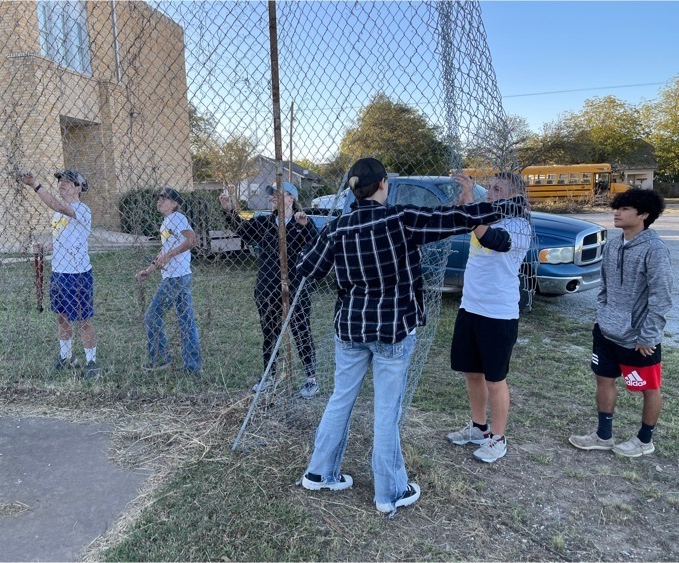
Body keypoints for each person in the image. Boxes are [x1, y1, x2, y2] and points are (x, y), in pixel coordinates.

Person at [296, 158, 525, 515]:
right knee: (386, 410)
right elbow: (453, 220)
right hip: (393, 329)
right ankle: (389, 493)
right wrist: (505, 205)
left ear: (354, 190)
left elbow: (308, 268)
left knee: (340, 399)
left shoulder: (336, 228)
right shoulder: (400, 218)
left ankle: (319, 472)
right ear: (384, 184)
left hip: (350, 328)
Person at [569, 188, 672, 458]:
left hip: (638, 338)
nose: (617, 212)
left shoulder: (655, 249)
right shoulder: (614, 243)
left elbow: (661, 296)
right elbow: (605, 286)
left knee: (649, 388)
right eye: (617, 207)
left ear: (644, 214)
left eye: (625, 209)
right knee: (603, 379)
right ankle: (603, 435)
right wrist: (601, 314)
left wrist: (648, 335)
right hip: (605, 330)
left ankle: (644, 440)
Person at [445, 172, 532, 463]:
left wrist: (471, 201)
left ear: (515, 196)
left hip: (498, 313)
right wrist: (464, 199)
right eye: (490, 187)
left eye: (497, 189)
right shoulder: (486, 214)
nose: (490, 193)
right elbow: (460, 216)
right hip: (470, 307)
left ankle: (498, 438)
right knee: (472, 373)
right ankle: (478, 428)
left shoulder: (519, 225)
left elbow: (493, 240)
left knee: (495, 379)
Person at [219, 181, 319, 398]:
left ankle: (311, 378)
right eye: (272, 194)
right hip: (267, 286)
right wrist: (228, 210)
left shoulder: (301, 221)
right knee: (270, 332)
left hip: (295, 286)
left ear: (291, 198)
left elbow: (317, 245)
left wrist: (306, 226)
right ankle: (269, 375)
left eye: (279, 193)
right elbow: (242, 230)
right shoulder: (264, 222)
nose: (273, 196)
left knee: (301, 330)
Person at [18, 169, 99, 379]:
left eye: (68, 182)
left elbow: (57, 205)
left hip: (78, 274)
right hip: (59, 272)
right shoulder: (58, 214)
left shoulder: (82, 209)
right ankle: (67, 358)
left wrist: (35, 184)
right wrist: (45, 247)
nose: (62, 184)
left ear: (79, 188)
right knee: (62, 318)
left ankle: (92, 362)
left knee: (84, 320)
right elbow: (63, 239)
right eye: (61, 181)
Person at [135, 188, 203, 373]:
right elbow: (165, 251)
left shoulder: (177, 218)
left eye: (165, 199)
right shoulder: (167, 222)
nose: (159, 201)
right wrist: (150, 269)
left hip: (176, 277)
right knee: (186, 321)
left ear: (174, 204)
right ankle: (193, 366)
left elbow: (192, 240)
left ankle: (160, 359)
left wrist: (170, 255)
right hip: (179, 276)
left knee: (152, 315)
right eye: (159, 198)